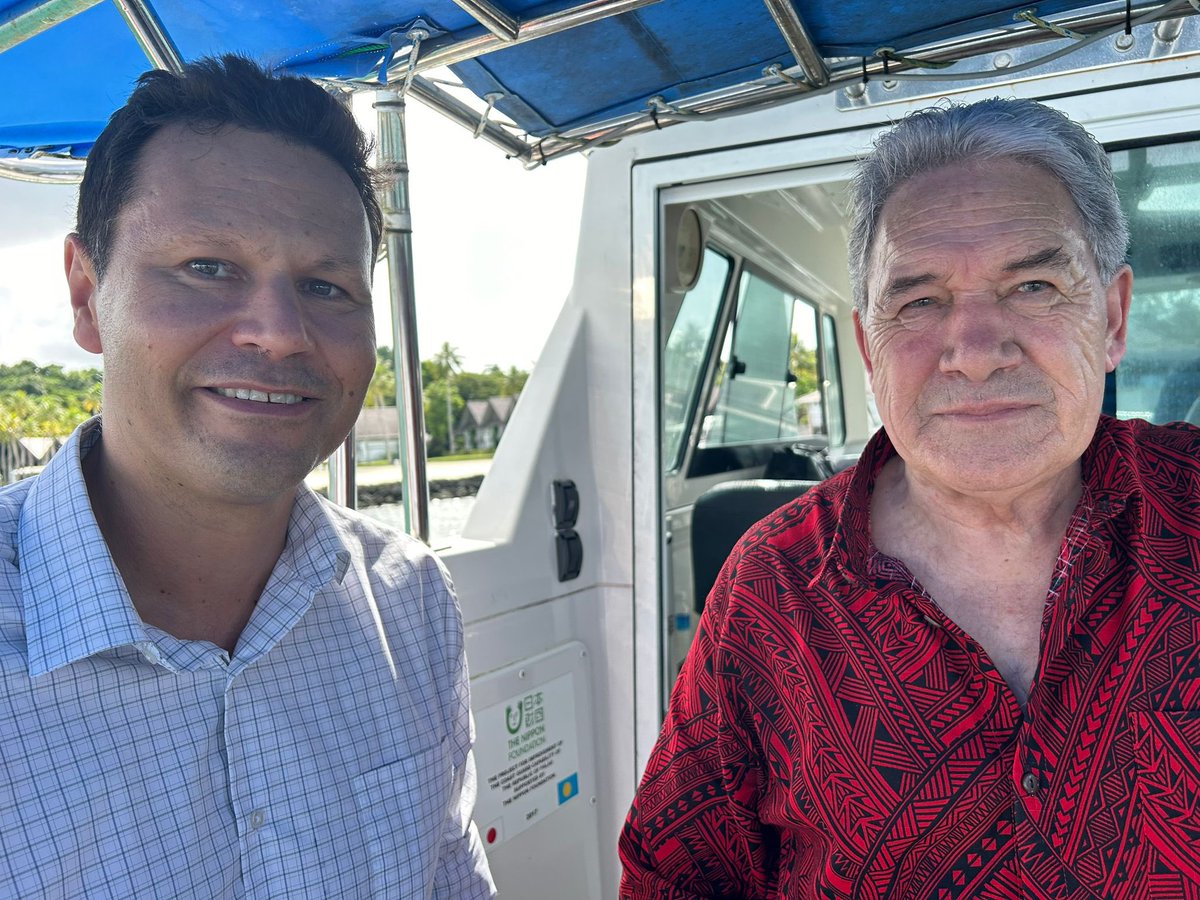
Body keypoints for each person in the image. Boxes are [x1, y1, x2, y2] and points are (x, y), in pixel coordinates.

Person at [620, 97, 1200, 897]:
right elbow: (677, 878)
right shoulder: (771, 588)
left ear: (1113, 317)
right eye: (919, 301)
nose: (973, 350)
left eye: (1032, 284)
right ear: (868, 346)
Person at [0, 56, 495, 898]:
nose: (280, 333)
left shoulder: (410, 603)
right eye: (206, 267)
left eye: (325, 285)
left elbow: (448, 874)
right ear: (87, 296)